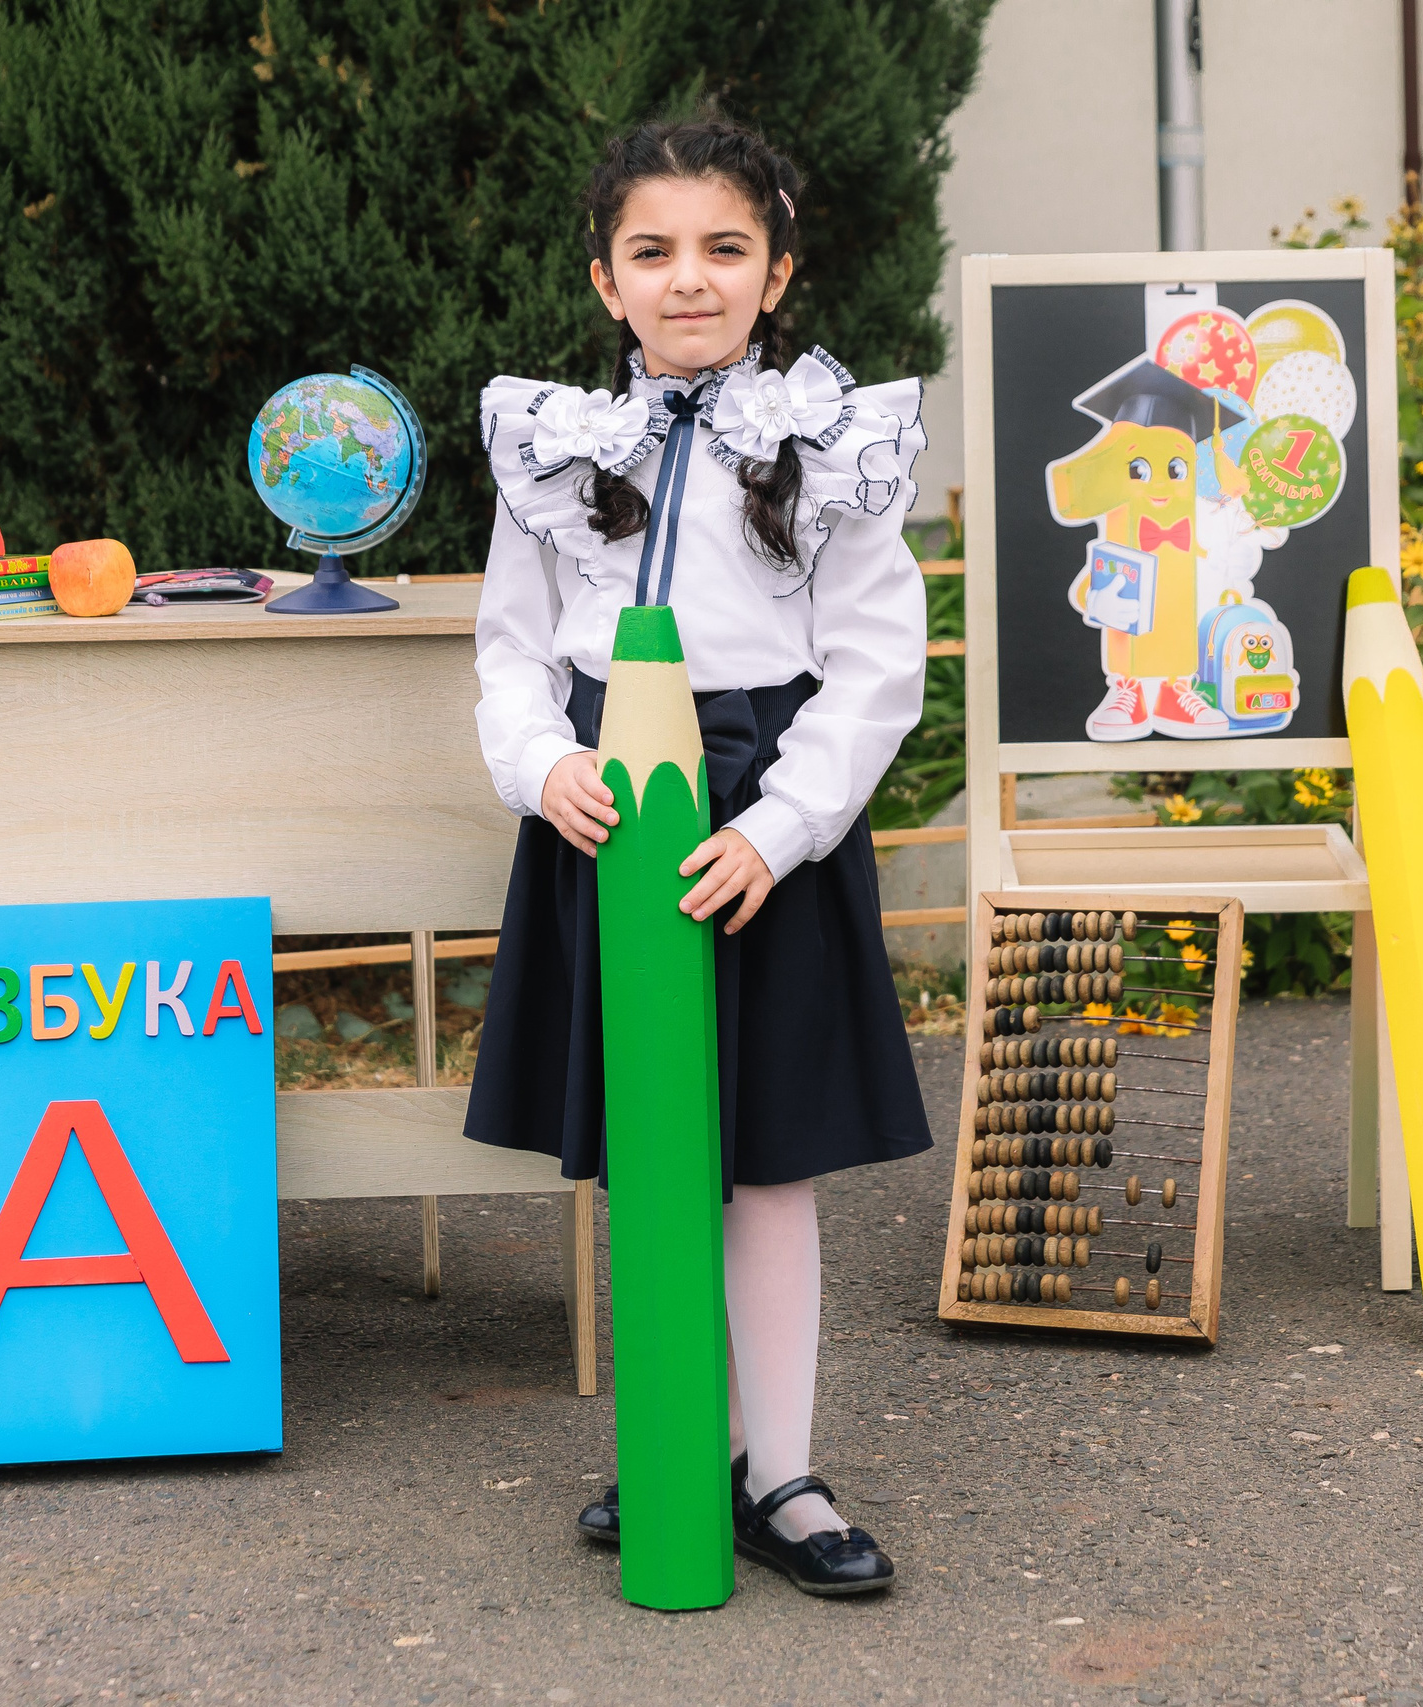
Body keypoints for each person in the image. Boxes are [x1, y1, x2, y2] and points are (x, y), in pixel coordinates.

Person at [464, 118, 932, 1598]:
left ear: (776, 271)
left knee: (768, 1165)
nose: (688, 280)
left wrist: (779, 830)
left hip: (757, 820)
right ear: (604, 280)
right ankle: (682, 1438)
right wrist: (544, 769)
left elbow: (875, 670)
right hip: (608, 806)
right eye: (653, 253)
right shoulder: (552, 448)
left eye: (724, 250)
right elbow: (507, 655)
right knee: (651, 1153)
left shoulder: (829, 448)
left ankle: (778, 1471)